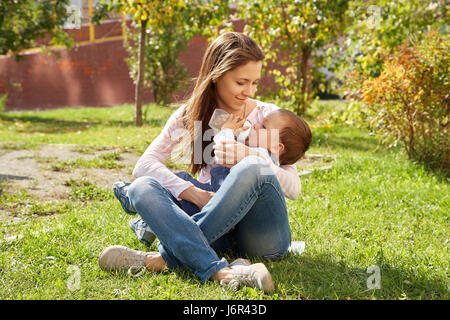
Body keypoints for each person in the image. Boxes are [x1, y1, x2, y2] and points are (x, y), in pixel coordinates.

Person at [98, 32, 311, 292]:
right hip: (216, 230)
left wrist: (249, 157)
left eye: (254, 83)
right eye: (241, 82)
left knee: (253, 168)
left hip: (262, 237)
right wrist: (196, 194)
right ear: (217, 75)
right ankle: (226, 270)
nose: (249, 92)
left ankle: (160, 259)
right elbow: (144, 164)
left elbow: (293, 188)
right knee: (141, 187)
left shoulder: (268, 117)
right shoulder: (193, 114)